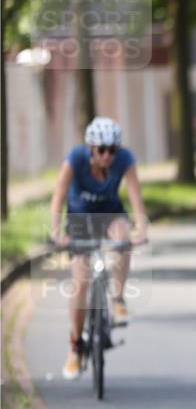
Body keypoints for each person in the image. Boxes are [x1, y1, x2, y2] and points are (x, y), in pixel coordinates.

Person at [49, 117, 148, 379]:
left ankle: (117, 298)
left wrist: (142, 228)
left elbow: (136, 195)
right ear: (91, 148)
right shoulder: (75, 159)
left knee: (124, 240)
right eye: (102, 150)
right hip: (80, 219)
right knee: (81, 282)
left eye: (112, 150)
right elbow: (59, 194)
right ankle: (75, 346)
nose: (108, 156)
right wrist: (57, 231)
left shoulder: (124, 159)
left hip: (110, 213)